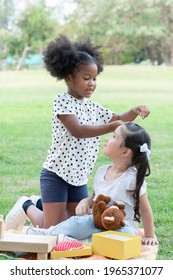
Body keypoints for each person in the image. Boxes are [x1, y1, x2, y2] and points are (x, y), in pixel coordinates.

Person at [5, 34, 150, 229]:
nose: (92, 83)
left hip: (79, 177)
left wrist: (133, 111)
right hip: (56, 174)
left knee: (75, 226)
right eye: (86, 78)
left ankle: (44, 204)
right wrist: (110, 127)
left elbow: (117, 119)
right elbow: (78, 130)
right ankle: (27, 204)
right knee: (53, 230)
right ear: (68, 77)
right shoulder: (62, 101)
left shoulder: (93, 106)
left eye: (95, 78)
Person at [5, 123, 158, 246]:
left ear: (125, 152)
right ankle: (49, 233)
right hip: (96, 222)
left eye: (113, 137)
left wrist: (150, 235)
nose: (107, 139)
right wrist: (85, 201)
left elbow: (145, 210)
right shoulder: (102, 172)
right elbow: (94, 198)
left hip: (120, 228)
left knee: (129, 235)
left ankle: (73, 241)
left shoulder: (131, 178)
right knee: (82, 222)